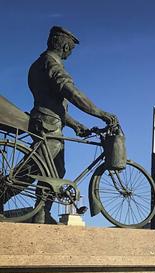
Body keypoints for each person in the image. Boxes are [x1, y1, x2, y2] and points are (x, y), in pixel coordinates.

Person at [26, 26, 118, 224]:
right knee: (35, 169)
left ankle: (41, 213)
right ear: (65, 46)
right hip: (48, 125)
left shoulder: (38, 63)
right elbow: (72, 93)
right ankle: (4, 197)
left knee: (54, 173)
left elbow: (51, 104)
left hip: (45, 120)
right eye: (70, 49)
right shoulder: (52, 64)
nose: (70, 53)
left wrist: (76, 125)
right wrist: (99, 113)